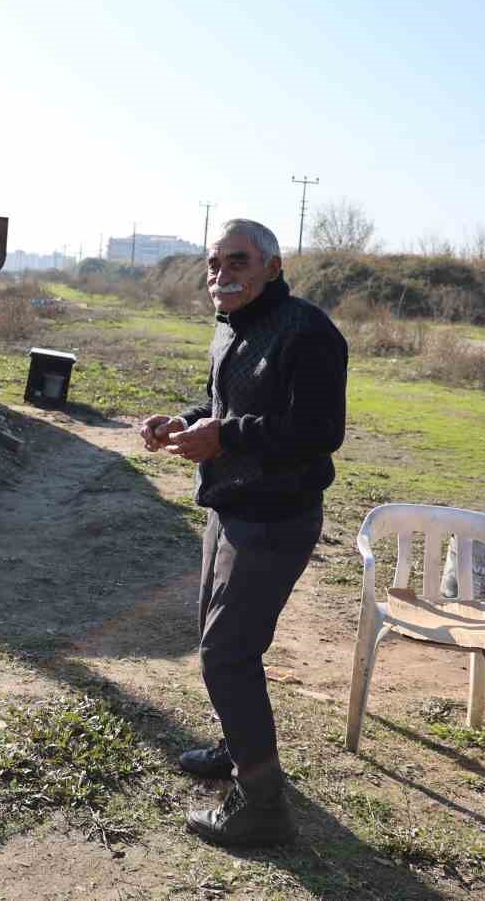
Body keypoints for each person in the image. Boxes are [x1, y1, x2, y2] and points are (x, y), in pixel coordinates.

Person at [139, 218, 347, 847]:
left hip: (275, 517)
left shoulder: (307, 331)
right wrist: (184, 422)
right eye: (214, 264)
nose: (221, 276)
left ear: (272, 269)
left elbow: (317, 432)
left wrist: (223, 437)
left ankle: (262, 808)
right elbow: (223, 408)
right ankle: (237, 748)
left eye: (238, 262)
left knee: (227, 653)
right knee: (215, 634)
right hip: (229, 505)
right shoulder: (233, 326)